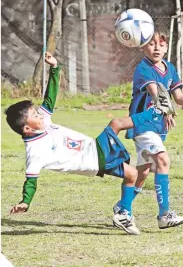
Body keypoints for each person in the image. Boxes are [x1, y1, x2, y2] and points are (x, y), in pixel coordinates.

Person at [6, 52, 162, 236]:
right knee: (116, 124)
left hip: (94, 149)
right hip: (93, 161)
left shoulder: (43, 123)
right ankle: (157, 111)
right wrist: (25, 201)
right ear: (27, 129)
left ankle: (123, 212)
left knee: (132, 174)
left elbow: (50, 97)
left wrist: (55, 68)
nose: (40, 114)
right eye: (35, 115)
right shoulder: (35, 151)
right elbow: (31, 181)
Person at [113, 30, 183, 229]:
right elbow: (155, 92)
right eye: (151, 44)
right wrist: (166, 110)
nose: (157, 47)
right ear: (142, 47)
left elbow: (178, 96)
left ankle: (123, 207)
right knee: (163, 160)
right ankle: (164, 215)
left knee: (142, 172)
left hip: (157, 128)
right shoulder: (143, 68)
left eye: (161, 43)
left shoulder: (169, 68)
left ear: (167, 46)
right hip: (143, 125)